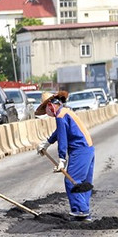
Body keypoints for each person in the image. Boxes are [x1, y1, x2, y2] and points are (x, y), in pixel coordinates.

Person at [35, 90, 95, 221]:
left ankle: (80, 211)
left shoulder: (60, 116)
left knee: (71, 180)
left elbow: (63, 138)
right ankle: (84, 212)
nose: (47, 113)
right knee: (84, 182)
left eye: (46, 110)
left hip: (80, 150)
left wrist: (62, 159)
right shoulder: (66, 112)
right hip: (88, 149)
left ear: (50, 105)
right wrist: (47, 142)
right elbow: (60, 132)